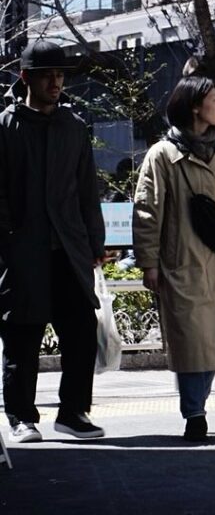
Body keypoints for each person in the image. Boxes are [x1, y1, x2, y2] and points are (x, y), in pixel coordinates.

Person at [133, 74, 215, 443]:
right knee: (191, 339)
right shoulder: (163, 155)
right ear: (194, 107)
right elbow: (147, 211)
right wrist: (149, 262)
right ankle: (195, 412)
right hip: (180, 262)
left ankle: (197, 402)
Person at [0, 40, 106, 444]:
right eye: (47, 75)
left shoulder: (73, 127)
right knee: (22, 336)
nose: (56, 82)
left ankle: (73, 412)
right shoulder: (5, 126)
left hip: (68, 248)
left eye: (60, 75)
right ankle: (21, 418)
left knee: (81, 330)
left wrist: (94, 243)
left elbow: (86, 193)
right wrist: (9, 237)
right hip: (22, 249)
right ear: (25, 77)